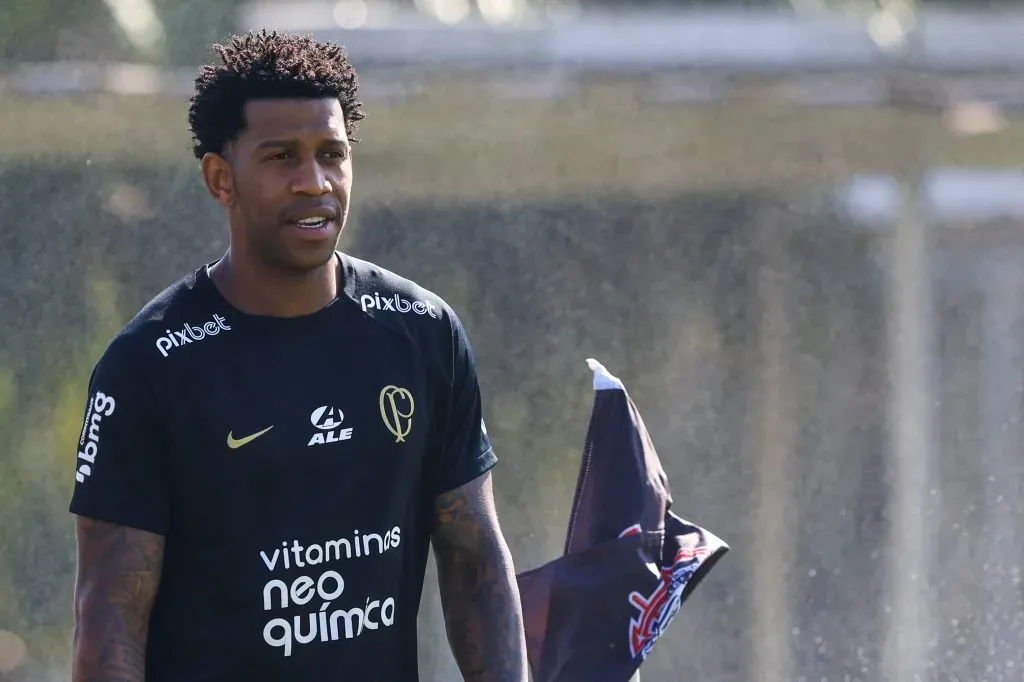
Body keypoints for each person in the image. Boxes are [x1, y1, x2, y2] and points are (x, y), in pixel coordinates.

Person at [68, 29, 528, 682]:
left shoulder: (424, 334)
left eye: (331, 154)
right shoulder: (149, 366)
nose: (314, 183)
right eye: (281, 157)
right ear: (221, 179)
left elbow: (474, 560)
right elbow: (109, 617)